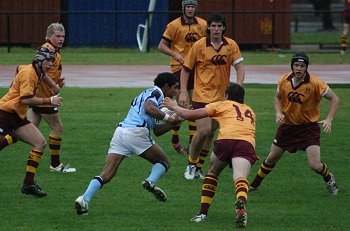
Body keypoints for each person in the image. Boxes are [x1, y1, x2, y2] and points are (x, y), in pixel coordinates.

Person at [75, 72, 182, 215]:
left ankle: (84, 199)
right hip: (136, 132)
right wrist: (169, 118)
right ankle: (150, 182)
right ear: (166, 86)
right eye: (175, 88)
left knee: (106, 175)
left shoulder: (148, 94)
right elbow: (148, 108)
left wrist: (176, 122)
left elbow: (157, 130)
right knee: (164, 162)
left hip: (121, 132)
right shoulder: (157, 94)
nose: (177, 91)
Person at [163, 83, 257, 228]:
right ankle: (241, 202)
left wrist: (174, 106)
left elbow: (189, 115)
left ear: (226, 96)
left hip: (226, 140)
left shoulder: (221, 104)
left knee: (212, 172)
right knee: (240, 177)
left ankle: (202, 214)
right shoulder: (250, 110)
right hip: (246, 143)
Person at [249, 52, 340, 196]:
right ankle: (254, 184)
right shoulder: (284, 80)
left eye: (302, 66)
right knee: (272, 158)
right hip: (287, 127)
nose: (298, 68)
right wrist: (278, 113)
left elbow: (335, 99)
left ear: (306, 68)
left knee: (315, 165)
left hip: (308, 128)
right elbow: (277, 98)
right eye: (296, 65)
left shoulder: (316, 83)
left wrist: (329, 119)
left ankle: (329, 178)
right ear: (292, 66)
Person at [178, 12, 245, 180]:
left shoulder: (231, 45)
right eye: (213, 26)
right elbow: (186, 69)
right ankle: (191, 164)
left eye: (219, 26)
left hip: (222, 99)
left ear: (223, 28)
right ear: (208, 27)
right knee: (204, 131)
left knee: (210, 134)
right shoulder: (199, 45)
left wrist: (238, 86)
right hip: (202, 96)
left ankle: (199, 168)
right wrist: (184, 91)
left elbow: (240, 67)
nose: (216, 29)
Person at [0, 47, 63, 197]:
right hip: (5, 113)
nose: (51, 64)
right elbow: (25, 99)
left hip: (17, 115)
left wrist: (53, 85)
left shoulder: (36, 70)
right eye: (48, 61)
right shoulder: (29, 74)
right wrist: (50, 100)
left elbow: (19, 68)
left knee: (40, 143)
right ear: (39, 60)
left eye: (52, 61)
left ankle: (28, 184)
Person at [158, 0, 207, 155]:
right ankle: (175, 138)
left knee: (194, 106)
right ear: (183, 9)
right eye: (188, 7)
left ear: (196, 8)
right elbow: (161, 46)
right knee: (180, 105)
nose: (190, 9)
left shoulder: (204, 25)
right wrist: (175, 53)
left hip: (196, 69)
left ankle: (192, 141)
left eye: (193, 7)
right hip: (179, 69)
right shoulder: (174, 25)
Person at [27, 23, 76, 173]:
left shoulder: (53, 50)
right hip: (44, 97)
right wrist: (53, 86)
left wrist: (57, 82)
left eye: (63, 36)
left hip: (38, 95)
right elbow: (37, 67)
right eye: (57, 36)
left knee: (23, 130)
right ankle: (55, 165)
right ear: (48, 36)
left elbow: (46, 71)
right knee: (57, 127)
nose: (61, 39)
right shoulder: (46, 49)